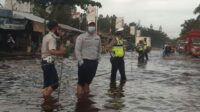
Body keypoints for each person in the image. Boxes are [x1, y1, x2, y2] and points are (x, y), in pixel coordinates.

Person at [75, 22, 101, 96]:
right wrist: (80, 61)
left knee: (88, 82)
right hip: (84, 62)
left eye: (93, 26)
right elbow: (77, 50)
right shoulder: (81, 37)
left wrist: (98, 60)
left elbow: (99, 49)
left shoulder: (98, 38)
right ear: (87, 27)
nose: (91, 27)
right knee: (81, 82)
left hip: (93, 62)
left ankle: (86, 98)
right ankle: (79, 100)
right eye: (90, 26)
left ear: (95, 27)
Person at [41, 20, 66, 97]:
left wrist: (61, 36)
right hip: (49, 63)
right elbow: (52, 51)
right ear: (55, 27)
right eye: (58, 28)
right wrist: (62, 52)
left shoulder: (46, 36)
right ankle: (46, 97)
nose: (58, 30)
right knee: (55, 84)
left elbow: (56, 38)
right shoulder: (51, 38)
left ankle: (45, 102)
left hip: (44, 62)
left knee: (47, 84)